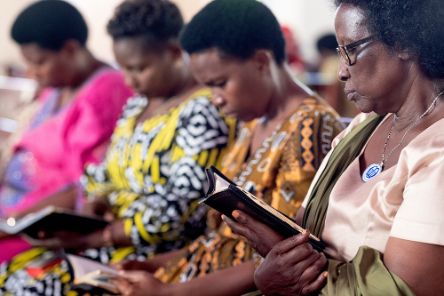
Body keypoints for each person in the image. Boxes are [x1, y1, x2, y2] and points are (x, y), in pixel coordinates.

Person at [0, 0, 235, 295]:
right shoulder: (139, 104)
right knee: (10, 275)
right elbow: (106, 170)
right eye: (123, 68)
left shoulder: (203, 111)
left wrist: (99, 237)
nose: (128, 80)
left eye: (139, 68)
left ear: (174, 53)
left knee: (30, 288)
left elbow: (177, 211)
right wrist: (95, 201)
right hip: (107, 238)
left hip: (154, 253)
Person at [111, 1, 343, 295]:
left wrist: (168, 292)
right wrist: (156, 264)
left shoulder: (310, 128)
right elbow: (220, 240)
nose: (214, 99)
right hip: (196, 275)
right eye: (207, 86)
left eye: (219, 83)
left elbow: (286, 257)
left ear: (261, 61)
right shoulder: (253, 123)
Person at [224, 0, 444, 295]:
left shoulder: (437, 149)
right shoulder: (364, 126)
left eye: (350, 50)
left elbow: (399, 289)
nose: (340, 71)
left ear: (404, 44)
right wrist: (278, 244)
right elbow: (305, 229)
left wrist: (283, 283)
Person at [0, 0, 131, 263]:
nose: (33, 73)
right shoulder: (58, 86)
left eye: (40, 62)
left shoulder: (106, 93)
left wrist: (10, 222)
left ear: (70, 49)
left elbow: (84, 184)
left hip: (41, 226)